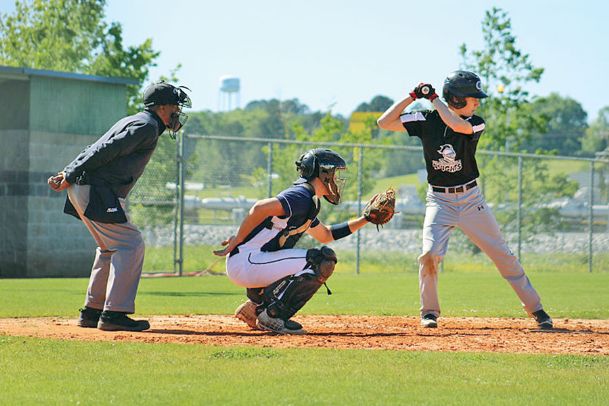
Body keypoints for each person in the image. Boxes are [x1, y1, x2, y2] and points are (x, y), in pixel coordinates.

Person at [376, 71, 553, 330]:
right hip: (439, 201)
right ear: (457, 99)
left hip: (471, 200)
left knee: (503, 255)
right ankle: (429, 312)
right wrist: (413, 96)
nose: (478, 102)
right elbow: (383, 122)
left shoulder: (476, 122)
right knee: (429, 254)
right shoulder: (426, 119)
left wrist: (434, 98)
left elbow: (458, 126)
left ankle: (536, 309)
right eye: (473, 97)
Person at [47, 81, 191, 332]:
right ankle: (114, 314)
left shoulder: (135, 120)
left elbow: (96, 147)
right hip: (96, 190)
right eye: (175, 106)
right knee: (130, 244)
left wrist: (68, 172)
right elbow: (105, 149)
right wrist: (69, 173)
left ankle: (92, 311)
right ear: (162, 107)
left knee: (109, 248)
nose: (177, 111)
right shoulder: (146, 126)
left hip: (88, 188)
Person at [214, 148, 374, 334]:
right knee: (320, 261)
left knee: (316, 259)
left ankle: (256, 308)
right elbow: (259, 208)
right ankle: (273, 316)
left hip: (251, 262)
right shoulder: (301, 195)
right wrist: (239, 238)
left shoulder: (309, 201)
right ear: (322, 174)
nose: (336, 179)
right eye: (334, 173)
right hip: (247, 261)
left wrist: (366, 219)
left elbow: (326, 235)